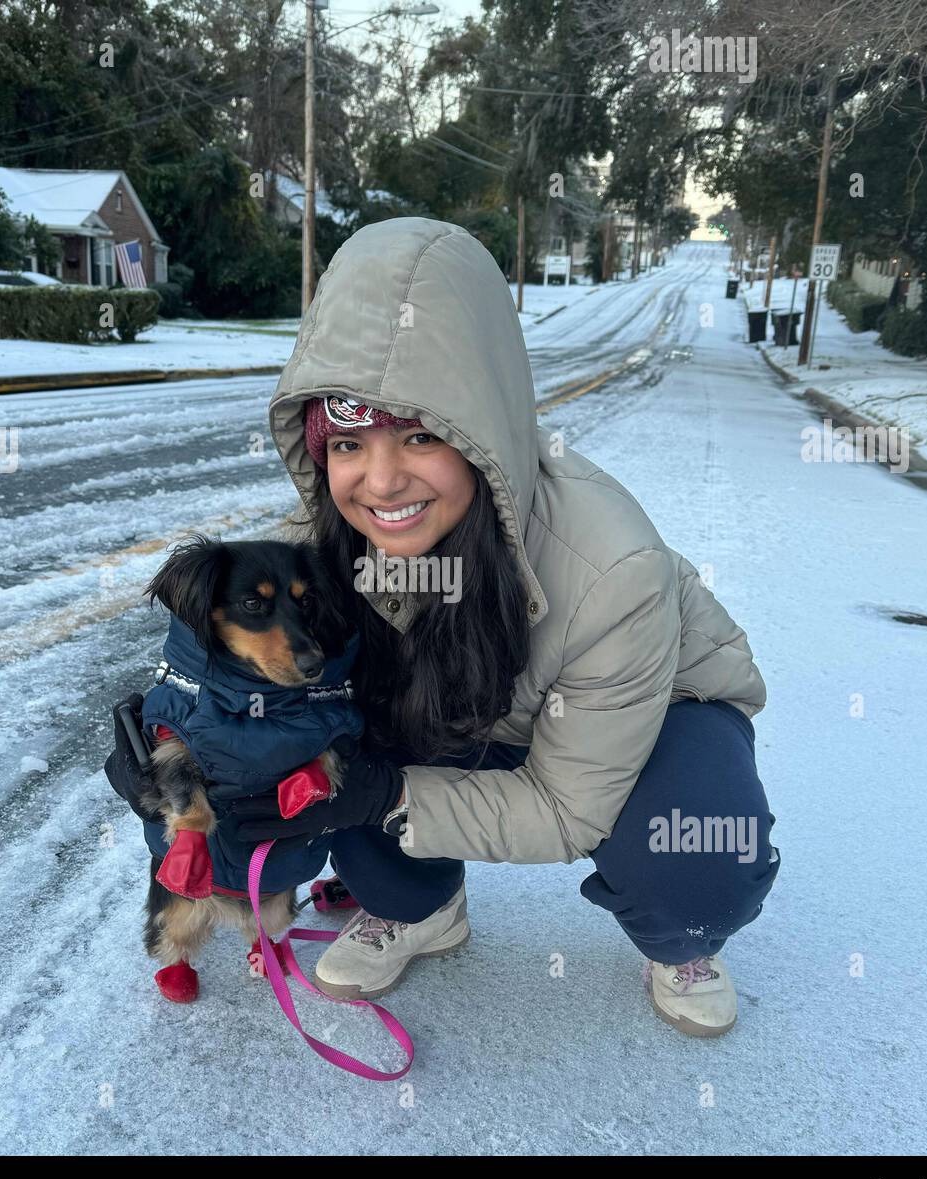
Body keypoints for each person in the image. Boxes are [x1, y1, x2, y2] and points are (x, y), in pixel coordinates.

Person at [107, 216, 779, 1038]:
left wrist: (386, 794)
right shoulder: (327, 548)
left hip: (648, 716)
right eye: (350, 441)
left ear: (481, 432)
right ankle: (418, 905)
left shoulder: (613, 565)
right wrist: (174, 746)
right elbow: (242, 680)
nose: (382, 480)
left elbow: (567, 808)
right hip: (472, 712)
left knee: (694, 853)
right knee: (338, 744)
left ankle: (683, 939)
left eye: (421, 434)